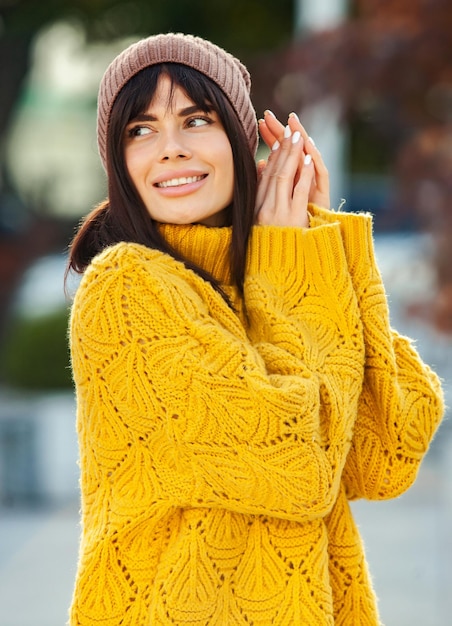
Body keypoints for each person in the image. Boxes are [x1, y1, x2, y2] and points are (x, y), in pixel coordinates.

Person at [67, 32, 444, 625]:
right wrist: (294, 265)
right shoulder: (127, 287)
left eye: (197, 120)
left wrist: (324, 245)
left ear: (244, 142)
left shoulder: (270, 275)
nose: (170, 149)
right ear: (120, 162)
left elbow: (385, 454)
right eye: (140, 130)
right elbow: (296, 466)